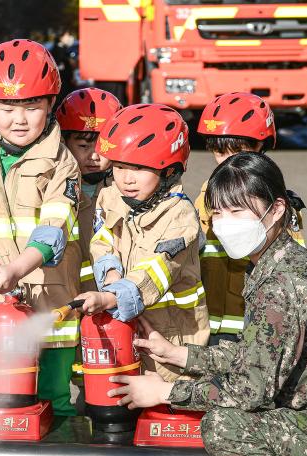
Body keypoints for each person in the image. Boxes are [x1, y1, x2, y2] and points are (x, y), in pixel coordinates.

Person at [108, 153, 307, 456]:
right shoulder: (275, 259)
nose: (225, 224)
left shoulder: (284, 281)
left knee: (225, 427)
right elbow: (256, 355)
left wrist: (166, 392)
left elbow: (252, 390)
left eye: (237, 211)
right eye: (218, 213)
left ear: (276, 209)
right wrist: (178, 354)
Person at [0, 39, 82, 416]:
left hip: (50, 303)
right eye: (7, 108)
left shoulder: (62, 163)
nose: (19, 119)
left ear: (51, 104)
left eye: (32, 107)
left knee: (54, 397)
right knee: (3, 397)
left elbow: (55, 226)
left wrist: (16, 269)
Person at [75, 103, 210, 382]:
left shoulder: (180, 216)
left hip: (172, 336)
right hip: (125, 327)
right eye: (120, 166)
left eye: (138, 168)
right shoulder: (110, 196)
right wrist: (110, 273)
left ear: (170, 169)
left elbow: (159, 269)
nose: (126, 178)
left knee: (164, 412)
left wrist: (112, 296)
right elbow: (102, 239)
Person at [195, 92, 305, 344]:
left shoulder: (276, 202)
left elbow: (294, 265)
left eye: (238, 151)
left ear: (261, 147)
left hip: (256, 322)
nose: (229, 162)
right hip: (210, 320)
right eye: (220, 153)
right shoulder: (206, 194)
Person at [56, 87, 122, 291]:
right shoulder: (53, 188)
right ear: (63, 142)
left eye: (103, 147)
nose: (94, 156)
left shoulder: (127, 189)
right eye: (84, 146)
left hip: (111, 295)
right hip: (66, 294)